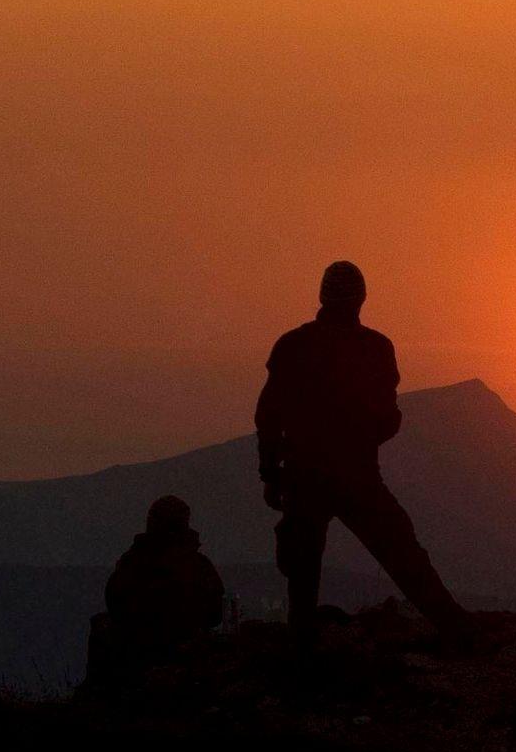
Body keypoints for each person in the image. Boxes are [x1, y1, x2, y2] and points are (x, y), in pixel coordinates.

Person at [256, 260, 471, 646]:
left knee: (303, 572)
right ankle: (455, 628)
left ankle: (301, 648)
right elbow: (387, 419)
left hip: (305, 476)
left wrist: (271, 474)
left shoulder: (293, 346)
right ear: (362, 299)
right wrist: (360, 438)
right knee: (403, 554)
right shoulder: (375, 348)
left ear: (321, 297)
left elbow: (268, 417)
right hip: (357, 475)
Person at [93, 495, 226, 677]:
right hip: (187, 662)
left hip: (136, 662)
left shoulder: (131, 564)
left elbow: (115, 604)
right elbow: (216, 613)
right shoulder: (199, 566)